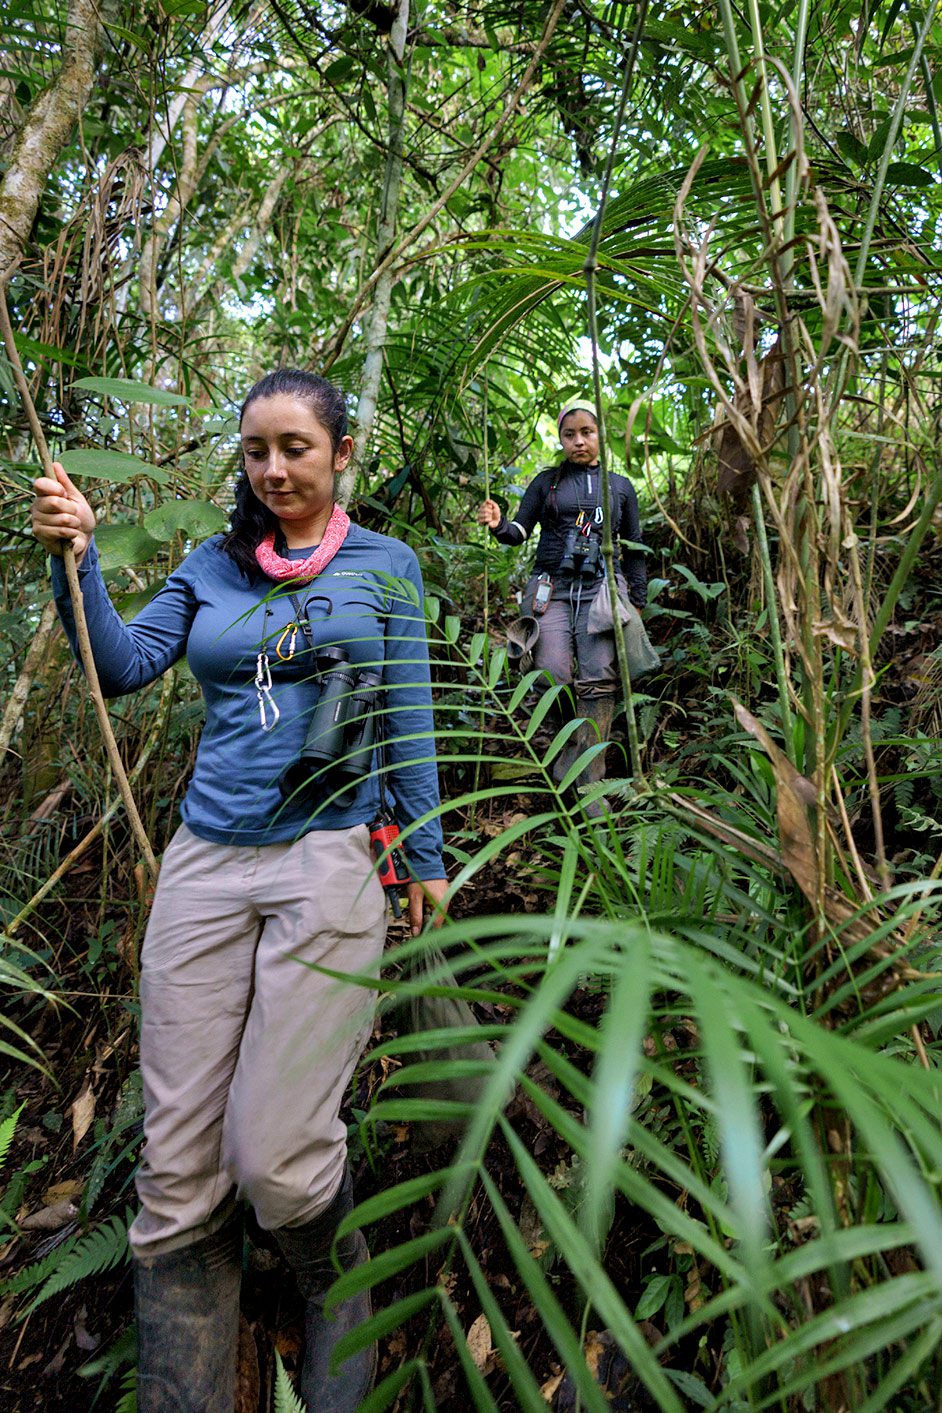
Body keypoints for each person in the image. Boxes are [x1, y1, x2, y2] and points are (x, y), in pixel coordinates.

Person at [31, 368, 448, 1413]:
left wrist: (424, 859)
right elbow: (120, 665)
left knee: (280, 1162)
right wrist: (75, 560)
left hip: (330, 858)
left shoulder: (387, 569)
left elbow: (408, 718)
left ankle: (333, 1285)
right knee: (176, 1177)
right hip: (206, 865)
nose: (272, 469)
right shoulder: (211, 567)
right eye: (256, 449)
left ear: (340, 452)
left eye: (295, 447)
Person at [477, 398, 647, 807]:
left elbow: (635, 546)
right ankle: (566, 753)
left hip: (601, 590)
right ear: (562, 439)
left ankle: (589, 785)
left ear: (601, 435)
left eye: (587, 432)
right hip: (550, 589)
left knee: (598, 678)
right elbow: (519, 530)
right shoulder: (547, 482)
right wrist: (499, 524)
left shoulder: (619, 486)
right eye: (570, 435)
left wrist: (637, 600)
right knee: (550, 673)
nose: (579, 441)